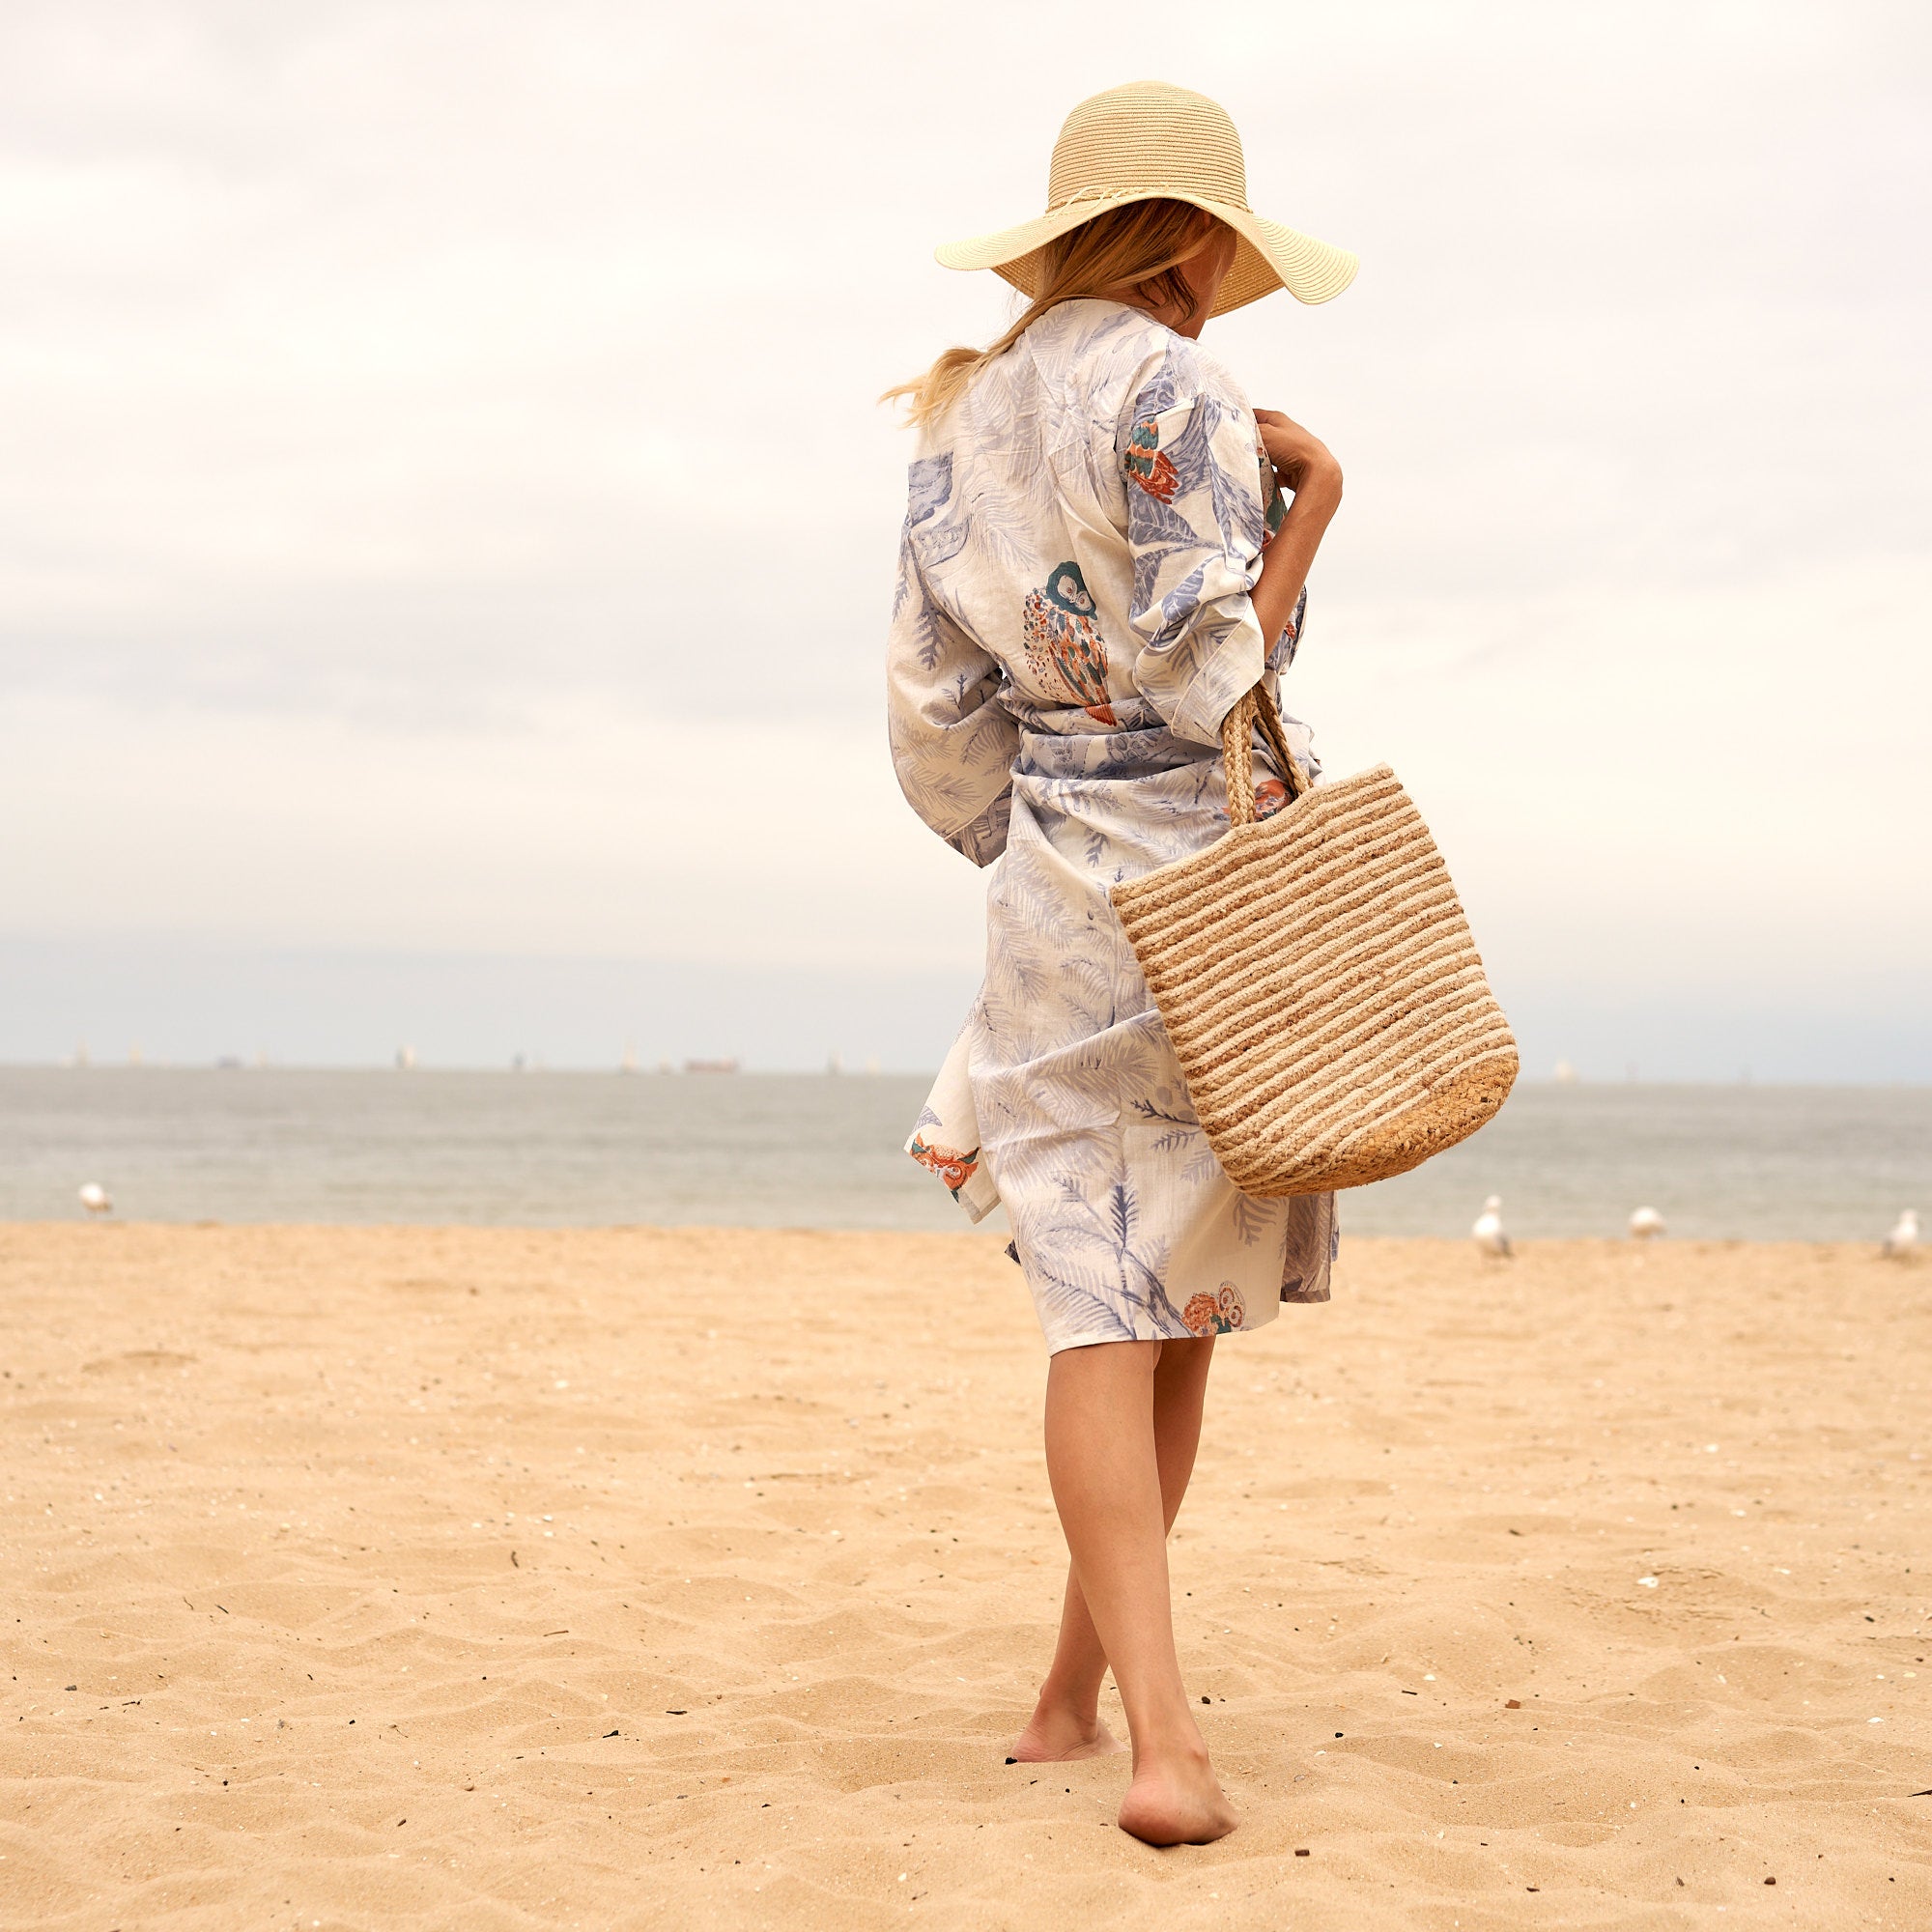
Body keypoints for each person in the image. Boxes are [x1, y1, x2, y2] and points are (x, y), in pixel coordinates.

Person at [885, 81, 1355, 1846]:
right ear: (1190, 240)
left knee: (1104, 1293)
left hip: (1052, 899)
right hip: (1202, 890)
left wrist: (1025, 857)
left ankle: (1071, 1699)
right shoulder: (1176, 391)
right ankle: (1166, 1749)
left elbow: (932, 717)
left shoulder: (957, 419)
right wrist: (1315, 507)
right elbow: (1210, 668)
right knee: (1174, 1318)